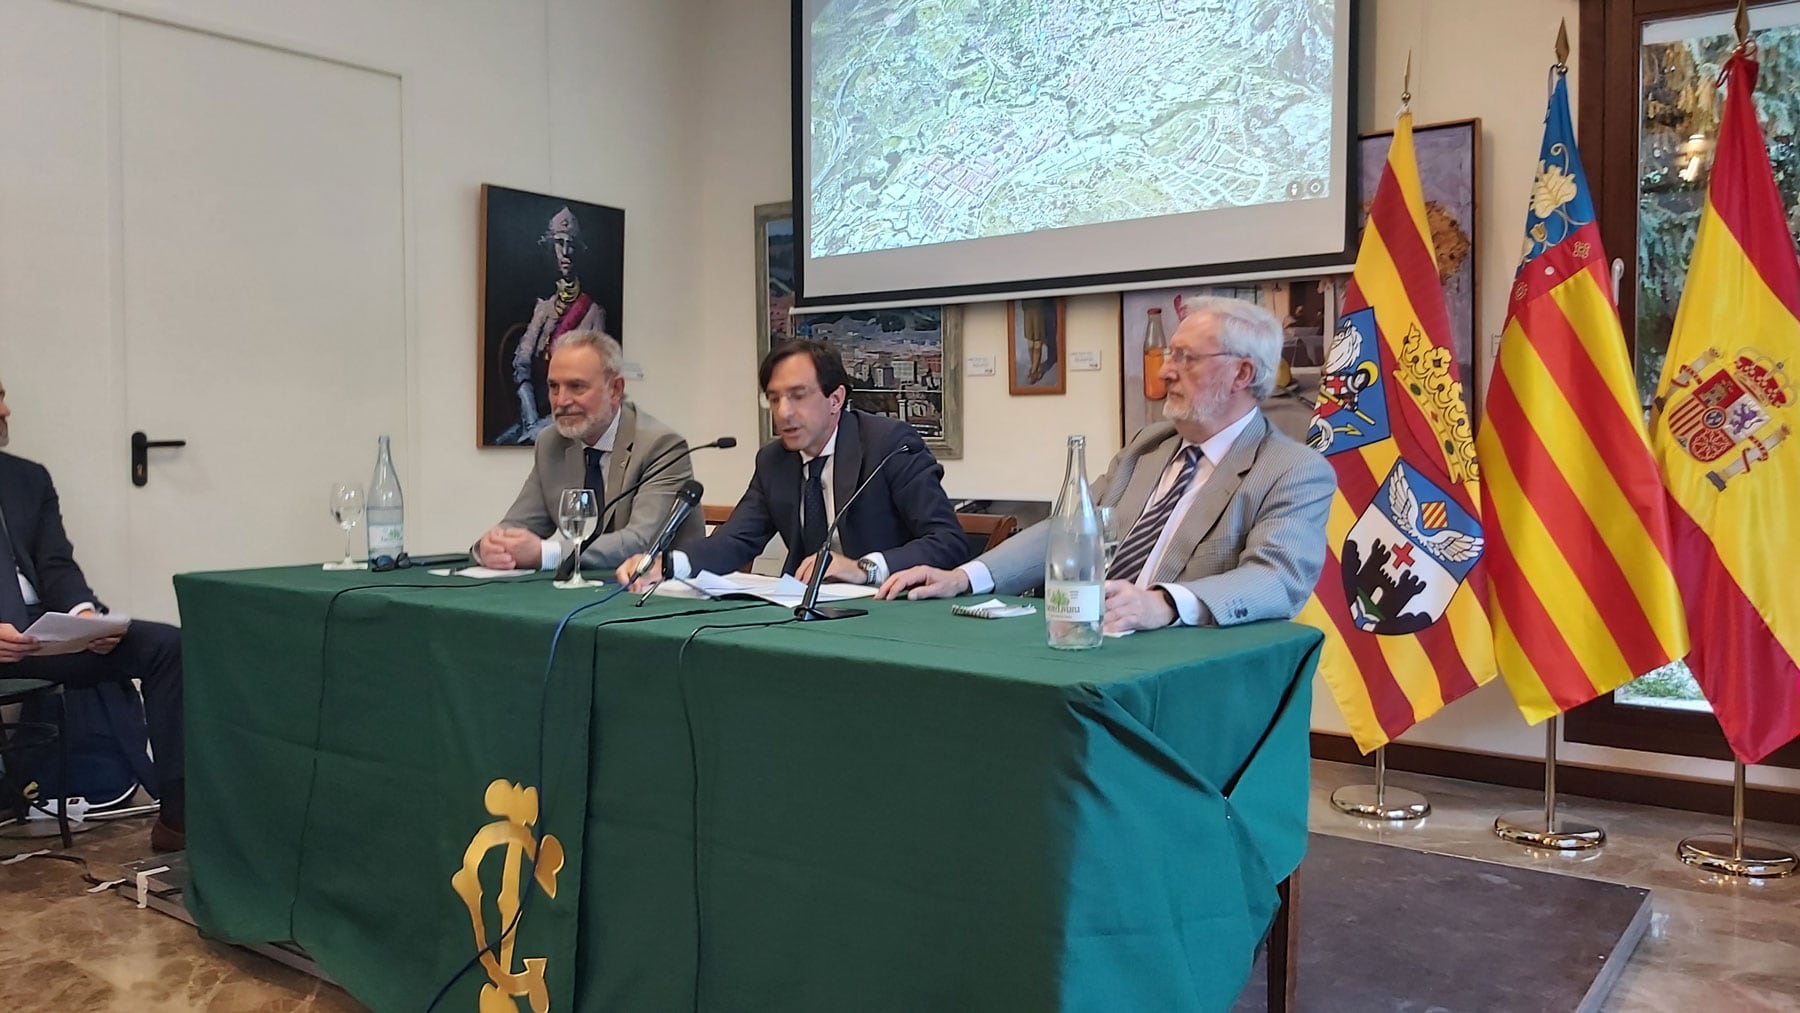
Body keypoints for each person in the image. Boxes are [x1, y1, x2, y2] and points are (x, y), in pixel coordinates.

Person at [879, 297, 1335, 633]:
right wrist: (963, 577)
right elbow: (1070, 529)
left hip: (1185, 662)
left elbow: (1278, 578)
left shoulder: (1291, 469)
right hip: (1092, 641)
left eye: (1186, 358)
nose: (1164, 372)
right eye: (1170, 354)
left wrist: (1164, 604)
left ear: (1242, 374)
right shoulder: (1148, 446)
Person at [0, 380, 186, 851]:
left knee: (166, 646)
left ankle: (179, 819)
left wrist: (85, 617)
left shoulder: (27, 478)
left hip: (35, 636)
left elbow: (56, 564)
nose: (6, 407)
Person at [618, 340, 967, 588]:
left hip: (888, 609)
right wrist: (666, 565)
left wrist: (866, 568)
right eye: (774, 398)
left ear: (836, 400)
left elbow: (948, 541)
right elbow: (736, 541)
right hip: (803, 609)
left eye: (798, 396)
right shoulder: (774, 460)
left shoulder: (890, 445)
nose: (783, 412)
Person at [474, 330, 703, 573]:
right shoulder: (551, 443)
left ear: (615, 389)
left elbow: (642, 541)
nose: (561, 401)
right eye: (554, 387)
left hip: (659, 591)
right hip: (580, 588)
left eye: (576, 387)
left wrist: (547, 554)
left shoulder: (661, 445)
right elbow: (519, 525)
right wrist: (491, 546)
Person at [507, 206, 605, 440]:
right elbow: (522, 363)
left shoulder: (593, 312)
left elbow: (595, 385)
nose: (566, 252)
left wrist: (548, 426)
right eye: (559, 243)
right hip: (535, 419)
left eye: (571, 244)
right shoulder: (543, 307)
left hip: (571, 427)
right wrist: (531, 422)